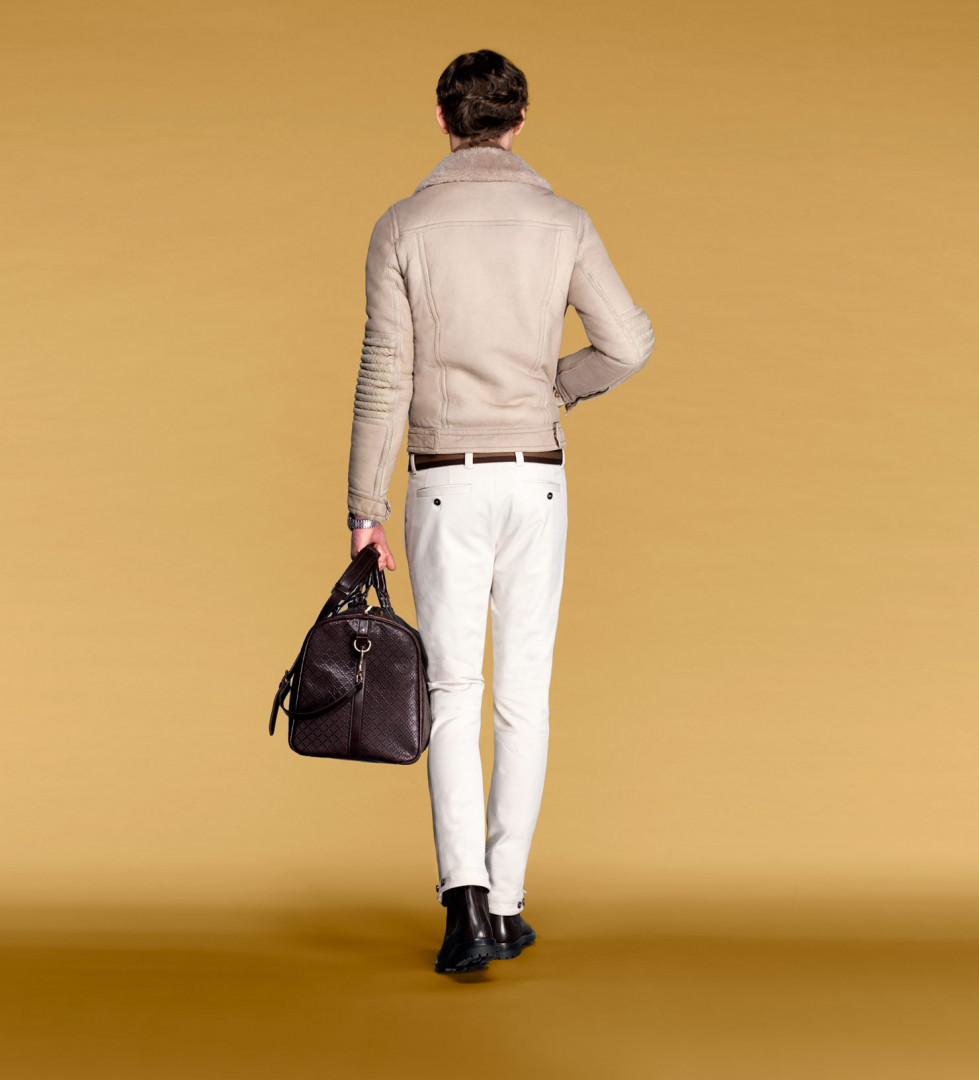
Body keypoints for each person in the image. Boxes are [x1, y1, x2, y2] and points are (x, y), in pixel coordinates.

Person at [345, 49, 654, 974]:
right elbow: (626, 344)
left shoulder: (402, 226)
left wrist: (364, 507)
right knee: (523, 696)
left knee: (451, 691)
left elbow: (384, 373)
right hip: (534, 478)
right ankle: (508, 902)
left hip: (443, 478)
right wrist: (550, 387)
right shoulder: (563, 222)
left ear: (443, 121)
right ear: (519, 123)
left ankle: (466, 907)